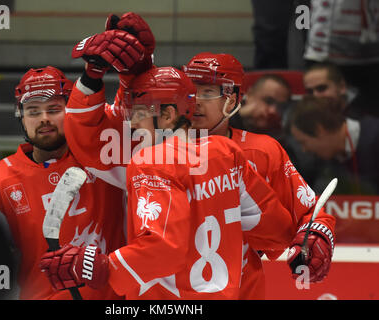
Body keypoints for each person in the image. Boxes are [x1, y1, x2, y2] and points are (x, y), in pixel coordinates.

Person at [40, 65, 299, 299]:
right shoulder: (225, 152)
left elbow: (164, 249)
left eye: (140, 113)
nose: (132, 124)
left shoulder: (150, 162)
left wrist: (102, 267)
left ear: (167, 115)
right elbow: (277, 231)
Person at [182, 52, 336, 299]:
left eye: (208, 92)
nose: (196, 101)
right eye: (191, 90)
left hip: (241, 291)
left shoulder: (262, 151)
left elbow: (309, 212)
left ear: (232, 101)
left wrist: (314, 236)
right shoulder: (155, 150)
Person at [0, 66, 126, 300]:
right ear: (20, 115)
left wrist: (128, 72)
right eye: (33, 111)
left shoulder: (106, 161)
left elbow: (129, 114)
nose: (44, 119)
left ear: (70, 111)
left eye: (54, 109)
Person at [290, 95, 379, 195]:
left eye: (303, 142)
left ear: (319, 130)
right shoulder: (329, 160)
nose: (304, 149)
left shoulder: (375, 137)